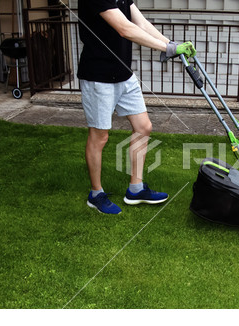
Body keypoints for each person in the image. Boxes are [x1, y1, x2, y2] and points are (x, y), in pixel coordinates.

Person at [78, 0, 196, 214]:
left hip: (124, 74)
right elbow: (124, 29)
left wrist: (171, 44)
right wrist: (166, 48)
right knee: (99, 135)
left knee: (143, 127)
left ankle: (136, 188)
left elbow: (141, 23)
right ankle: (96, 194)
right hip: (98, 76)